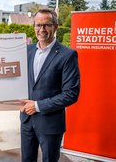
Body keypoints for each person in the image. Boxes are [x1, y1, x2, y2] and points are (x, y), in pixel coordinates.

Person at [20, 8, 80, 162]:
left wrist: (38, 105)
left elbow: (71, 94)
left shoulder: (67, 55)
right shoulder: (26, 51)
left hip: (50, 123)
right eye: (38, 25)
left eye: (46, 25)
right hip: (26, 120)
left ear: (55, 27)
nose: (41, 29)